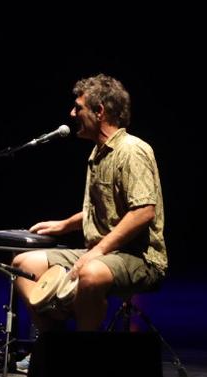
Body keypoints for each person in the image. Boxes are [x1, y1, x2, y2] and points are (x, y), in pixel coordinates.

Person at [13, 73, 166, 332]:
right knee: (24, 264)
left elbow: (142, 212)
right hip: (104, 252)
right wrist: (64, 225)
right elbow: (104, 210)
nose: (72, 114)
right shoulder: (97, 153)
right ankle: (53, 343)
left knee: (91, 273)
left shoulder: (132, 150)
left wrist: (97, 252)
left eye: (79, 108)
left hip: (139, 258)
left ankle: (85, 355)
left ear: (99, 111)